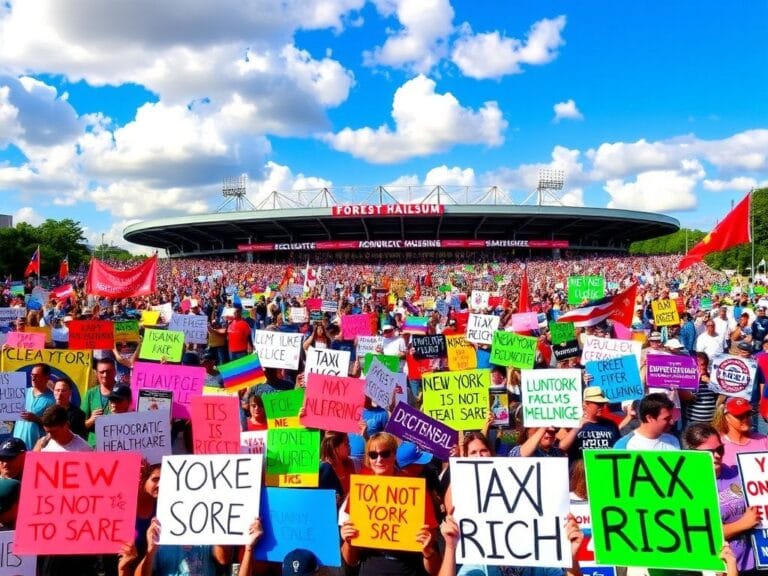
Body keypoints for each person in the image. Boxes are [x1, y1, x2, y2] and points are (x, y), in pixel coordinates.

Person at [340, 432, 440, 576]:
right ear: (368, 458)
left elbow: (436, 569)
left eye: (385, 453)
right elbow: (350, 561)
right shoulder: (361, 488)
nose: (379, 459)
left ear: (394, 455)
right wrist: (348, 541)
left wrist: (428, 551)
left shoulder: (415, 490)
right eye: (373, 455)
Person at [682, 423, 759, 576]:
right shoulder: (687, 488)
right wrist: (742, 524)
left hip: (753, 561)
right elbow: (699, 533)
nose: (717, 455)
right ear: (692, 453)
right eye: (709, 452)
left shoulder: (738, 472)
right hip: (718, 567)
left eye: (720, 449)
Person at [558, 386, 620, 462]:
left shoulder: (611, 425)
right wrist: (578, 427)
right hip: (580, 470)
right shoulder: (572, 423)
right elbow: (562, 447)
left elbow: (619, 449)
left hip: (604, 469)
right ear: (585, 404)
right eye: (598, 404)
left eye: (603, 404)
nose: (602, 407)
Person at [714, 397, 768, 467]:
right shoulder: (717, 445)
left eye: (748, 414)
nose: (745, 419)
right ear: (726, 417)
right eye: (739, 415)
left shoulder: (764, 441)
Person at [613, 393, 679, 450]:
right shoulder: (625, 445)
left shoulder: (673, 440)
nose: (672, 422)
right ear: (649, 418)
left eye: (671, 418)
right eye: (666, 418)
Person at [13, 363, 56, 450]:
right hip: (16, 446)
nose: (33, 378)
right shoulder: (21, 393)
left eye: (37, 376)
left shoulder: (52, 399)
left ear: (46, 378)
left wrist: (36, 419)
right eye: (32, 375)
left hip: (36, 447)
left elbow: (53, 426)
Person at [84, 357, 118, 447]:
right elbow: (80, 426)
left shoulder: (123, 391)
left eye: (108, 371)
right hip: (94, 446)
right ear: (96, 373)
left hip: (116, 445)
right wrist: (91, 420)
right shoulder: (91, 394)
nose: (105, 375)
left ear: (115, 372)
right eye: (102, 372)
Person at [319, 431, 355, 506]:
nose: (350, 447)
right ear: (335, 448)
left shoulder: (350, 463)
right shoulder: (324, 469)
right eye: (346, 444)